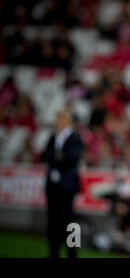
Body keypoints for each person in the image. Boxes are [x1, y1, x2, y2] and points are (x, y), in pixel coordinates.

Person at [42, 110, 84, 258]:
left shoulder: (75, 138)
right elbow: (45, 155)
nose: (58, 122)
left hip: (67, 186)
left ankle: (72, 253)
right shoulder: (54, 137)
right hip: (53, 186)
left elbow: (71, 158)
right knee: (53, 221)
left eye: (62, 119)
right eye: (58, 119)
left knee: (69, 222)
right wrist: (57, 157)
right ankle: (53, 252)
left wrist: (56, 157)